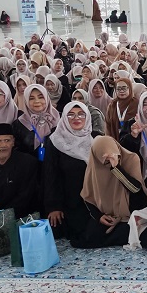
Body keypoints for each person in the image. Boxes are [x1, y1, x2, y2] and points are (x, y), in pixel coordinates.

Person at [75, 136, 147, 249]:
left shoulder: (132, 159)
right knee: (90, 237)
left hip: (130, 213)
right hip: (107, 214)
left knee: (127, 233)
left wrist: (116, 167)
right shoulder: (94, 166)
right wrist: (99, 216)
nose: (109, 161)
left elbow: (135, 189)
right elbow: (88, 196)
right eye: (106, 161)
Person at [43, 103, 94, 240]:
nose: (76, 118)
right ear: (64, 118)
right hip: (68, 202)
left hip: (93, 202)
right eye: (70, 115)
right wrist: (54, 206)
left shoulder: (95, 138)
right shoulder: (55, 141)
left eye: (81, 114)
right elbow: (50, 175)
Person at [12, 85, 60, 158]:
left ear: (47, 98)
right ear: (26, 101)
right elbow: (17, 151)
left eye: (41, 97)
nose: (37, 101)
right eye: (31, 98)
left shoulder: (60, 120)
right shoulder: (19, 124)